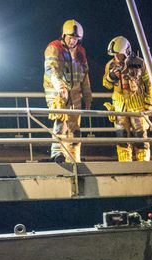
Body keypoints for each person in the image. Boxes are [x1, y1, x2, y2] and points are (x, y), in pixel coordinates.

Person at [43, 20, 92, 162]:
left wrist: (88, 96)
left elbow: (85, 75)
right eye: (70, 38)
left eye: (75, 39)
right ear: (64, 35)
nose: (72, 41)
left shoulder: (81, 52)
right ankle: (57, 153)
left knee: (75, 128)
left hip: (75, 94)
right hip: (57, 93)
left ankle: (74, 157)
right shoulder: (54, 48)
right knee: (60, 121)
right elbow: (51, 69)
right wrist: (60, 87)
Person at [103, 37, 152, 162]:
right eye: (114, 55)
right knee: (122, 138)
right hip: (120, 107)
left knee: (140, 137)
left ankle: (143, 165)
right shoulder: (110, 65)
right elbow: (106, 84)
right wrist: (111, 77)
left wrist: (149, 103)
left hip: (137, 105)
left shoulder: (140, 63)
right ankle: (125, 164)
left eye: (119, 54)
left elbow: (150, 83)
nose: (117, 58)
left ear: (126, 51)